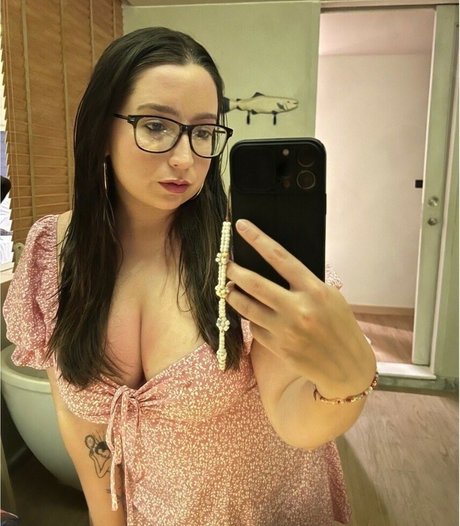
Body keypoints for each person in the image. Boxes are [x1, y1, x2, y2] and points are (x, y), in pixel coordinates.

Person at [3, 27, 377, 526]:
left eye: (203, 132)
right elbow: (82, 424)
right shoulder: (52, 253)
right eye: (157, 126)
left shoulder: (242, 252)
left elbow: (294, 416)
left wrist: (346, 380)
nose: (186, 159)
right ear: (100, 132)